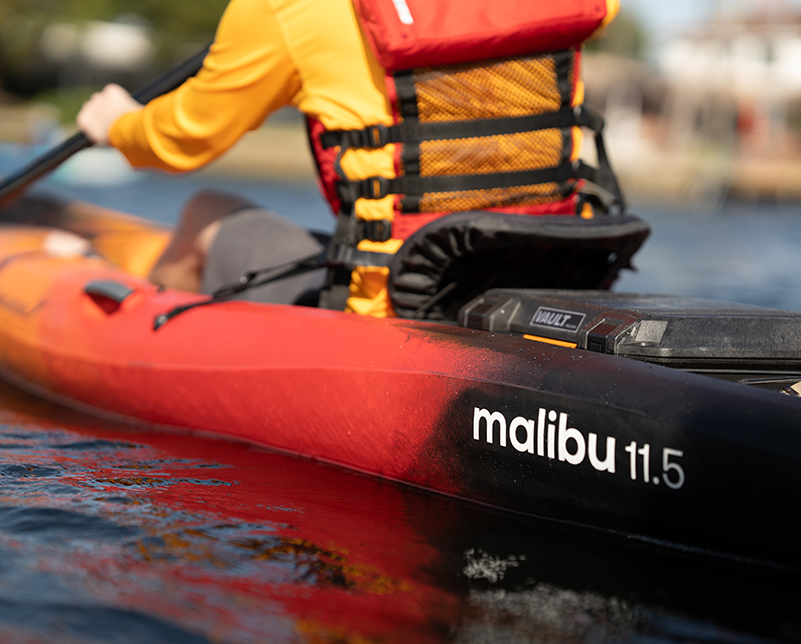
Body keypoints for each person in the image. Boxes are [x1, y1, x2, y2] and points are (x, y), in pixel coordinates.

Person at [78, 0, 621, 318]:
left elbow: (184, 138)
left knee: (205, 211)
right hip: (542, 277)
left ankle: (142, 345)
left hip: (394, 301)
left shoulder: (287, 10)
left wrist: (117, 125)